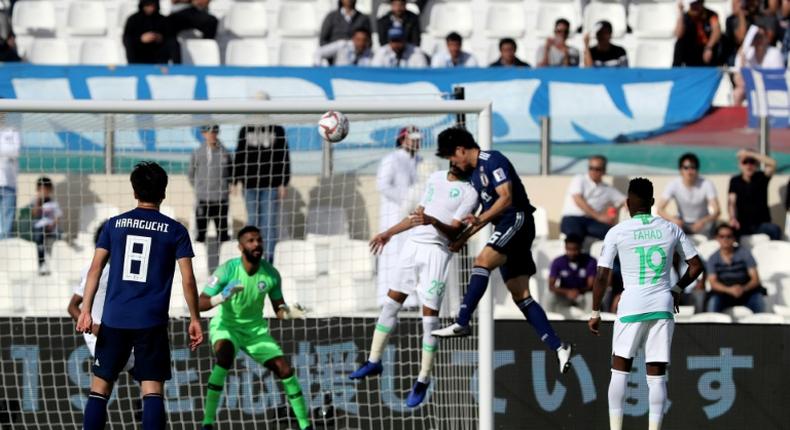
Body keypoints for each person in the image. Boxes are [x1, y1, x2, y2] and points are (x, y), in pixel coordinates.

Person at [431, 127, 573, 374]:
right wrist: (462, 238)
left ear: (461, 150)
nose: (452, 163)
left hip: (517, 220)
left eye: (451, 157)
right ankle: (560, 346)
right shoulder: (474, 176)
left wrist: (481, 219)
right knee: (521, 295)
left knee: (482, 260)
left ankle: (462, 321)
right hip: (506, 225)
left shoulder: (492, 159)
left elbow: (505, 198)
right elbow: (483, 217)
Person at [75, 161, 203, 430]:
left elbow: (95, 269)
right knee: (152, 390)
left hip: (114, 319)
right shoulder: (176, 230)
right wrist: (195, 318)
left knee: (100, 389)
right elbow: (188, 279)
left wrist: (85, 309)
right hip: (151, 321)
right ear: (163, 192)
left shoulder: (114, 225)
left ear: (134, 191)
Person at [350, 165, 478, 408]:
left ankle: (423, 379)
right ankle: (374, 360)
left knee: (429, 320)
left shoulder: (469, 192)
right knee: (390, 305)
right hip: (412, 247)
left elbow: (454, 233)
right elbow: (416, 216)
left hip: (437, 254)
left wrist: (432, 221)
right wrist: (388, 233)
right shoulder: (435, 178)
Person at [589, 177, 703, 430]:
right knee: (656, 374)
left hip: (631, 304)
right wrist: (676, 288)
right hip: (662, 304)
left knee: (620, 369)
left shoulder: (617, 231)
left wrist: (595, 311)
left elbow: (601, 276)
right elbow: (696, 266)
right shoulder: (670, 228)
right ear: (652, 202)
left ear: (628, 203)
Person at [198, 226, 312, 430]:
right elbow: (201, 303)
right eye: (250, 241)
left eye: (258, 240)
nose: (256, 244)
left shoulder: (271, 274)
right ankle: (207, 423)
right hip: (226, 326)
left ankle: (305, 425)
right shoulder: (227, 270)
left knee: (284, 369)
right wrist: (223, 295)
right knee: (224, 356)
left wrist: (290, 313)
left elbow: (279, 309)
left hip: (255, 331)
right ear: (240, 247)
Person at [67, 222, 135, 371]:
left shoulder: (125, 270)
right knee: (148, 379)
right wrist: (94, 327)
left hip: (123, 335)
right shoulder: (99, 271)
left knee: (148, 380)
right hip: (103, 339)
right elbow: (72, 307)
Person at [234, 113, 291, 262]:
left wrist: (283, 183)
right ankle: (251, 257)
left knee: (269, 224)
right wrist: (235, 181)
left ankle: (269, 259)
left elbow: (284, 156)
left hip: (270, 186)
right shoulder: (245, 130)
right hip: (249, 186)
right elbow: (239, 155)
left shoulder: (278, 130)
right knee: (252, 223)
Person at [376, 126, 422, 306]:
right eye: (413, 139)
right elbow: (383, 185)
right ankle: (387, 298)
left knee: (412, 255)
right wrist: (405, 199)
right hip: (394, 216)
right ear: (403, 139)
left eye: (418, 139)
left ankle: (411, 298)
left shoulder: (420, 160)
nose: (417, 142)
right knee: (393, 256)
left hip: (413, 218)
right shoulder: (391, 159)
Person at [560, 155, 625, 242]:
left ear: (604, 170)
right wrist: (599, 216)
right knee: (575, 240)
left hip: (592, 221)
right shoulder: (579, 179)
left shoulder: (608, 189)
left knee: (615, 237)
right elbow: (578, 199)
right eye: (591, 168)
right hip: (572, 218)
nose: (593, 171)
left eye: (597, 169)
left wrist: (627, 206)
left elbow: (625, 200)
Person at [705, 224, 765, 313]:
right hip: (723, 293)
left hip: (746, 292)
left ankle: (761, 327)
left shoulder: (745, 254)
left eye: (729, 236)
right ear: (717, 238)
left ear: (734, 238)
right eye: (722, 236)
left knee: (759, 301)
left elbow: (755, 279)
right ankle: (712, 326)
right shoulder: (712, 258)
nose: (725, 239)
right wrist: (729, 290)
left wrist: (743, 289)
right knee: (713, 302)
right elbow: (713, 283)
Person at [657, 153, 720, 236]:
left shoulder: (706, 184)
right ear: (680, 170)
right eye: (686, 168)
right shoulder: (673, 184)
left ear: (697, 170)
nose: (689, 171)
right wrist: (673, 219)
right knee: (669, 229)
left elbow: (717, 211)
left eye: (693, 168)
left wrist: (703, 221)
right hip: (682, 223)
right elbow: (660, 209)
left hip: (703, 224)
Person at [189, 124, 232, 243]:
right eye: (209, 132)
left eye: (215, 131)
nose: (212, 134)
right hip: (204, 199)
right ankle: (198, 260)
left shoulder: (225, 152)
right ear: (203, 134)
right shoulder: (197, 153)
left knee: (223, 235)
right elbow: (191, 174)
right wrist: (200, 188)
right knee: (201, 235)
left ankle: (223, 260)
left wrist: (229, 186)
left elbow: (231, 172)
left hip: (221, 199)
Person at [728, 149, 781, 240]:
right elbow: (731, 202)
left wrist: (749, 154)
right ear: (740, 165)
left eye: (752, 162)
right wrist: (732, 218)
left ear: (756, 165)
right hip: (742, 224)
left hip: (761, 224)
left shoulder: (762, 177)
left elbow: (773, 163)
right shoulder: (735, 181)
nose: (749, 165)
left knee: (775, 230)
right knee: (726, 232)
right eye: (745, 162)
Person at [732, 24, 785, 105]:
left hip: (770, 90)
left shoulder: (775, 54)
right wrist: (742, 58)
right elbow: (738, 80)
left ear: (767, 38)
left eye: (761, 37)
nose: (759, 40)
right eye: (755, 37)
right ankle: (736, 117)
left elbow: (777, 80)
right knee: (737, 93)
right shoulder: (747, 54)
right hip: (752, 89)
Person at [547, 235, 597, 313]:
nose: (572, 253)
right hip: (564, 296)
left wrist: (577, 291)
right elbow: (551, 286)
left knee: (591, 297)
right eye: (569, 249)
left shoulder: (590, 261)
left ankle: (589, 322)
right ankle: (549, 321)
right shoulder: (558, 261)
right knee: (549, 296)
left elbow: (590, 285)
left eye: (575, 249)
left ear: (580, 248)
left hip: (582, 295)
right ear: (565, 248)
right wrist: (567, 292)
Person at [123, 0, 179, 64]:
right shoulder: (133, 19)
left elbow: (170, 36)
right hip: (139, 53)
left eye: (153, 5)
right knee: (128, 41)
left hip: (159, 54)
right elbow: (127, 36)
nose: (150, 8)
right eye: (147, 5)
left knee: (173, 42)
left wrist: (160, 38)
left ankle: (177, 68)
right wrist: (141, 39)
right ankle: (133, 67)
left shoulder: (163, 20)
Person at [29, 176, 62, 275]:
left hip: (51, 228)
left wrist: (53, 225)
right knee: (39, 237)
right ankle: (42, 263)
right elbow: (34, 214)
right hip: (40, 228)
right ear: (38, 190)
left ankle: (54, 262)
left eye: (46, 190)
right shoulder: (35, 202)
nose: (44, 192)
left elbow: (58, 216)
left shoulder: (54, 203)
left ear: (50, 190)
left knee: (60, 234)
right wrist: (38, 200)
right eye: (41, 190)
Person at [673, 0, 722, 66]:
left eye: (696, 3)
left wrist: (709, 47)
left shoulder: (711, 15)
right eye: (692, 4)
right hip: (692, 52)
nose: (694, 7)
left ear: (702, 3)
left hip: (706, 49)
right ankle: (675, 72)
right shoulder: (686, 16)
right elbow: (678, 34)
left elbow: (716, 31)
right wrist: (681, 13)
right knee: (679, 44)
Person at [0, 113, 20, 239]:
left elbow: (15, 151)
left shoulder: (12, 131)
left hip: (8, 183)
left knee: (6, 222)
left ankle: (4, 253)